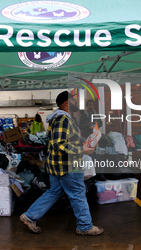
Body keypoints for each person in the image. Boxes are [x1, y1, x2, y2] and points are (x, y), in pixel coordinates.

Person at [20, 91, 104, 236]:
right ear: (66, 102)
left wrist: (84, 141)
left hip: (57, 166)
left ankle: (29, 216)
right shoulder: (63, 119)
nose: (76, 102)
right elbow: (59, 144)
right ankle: (84, 226)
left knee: (54, 191)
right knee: (78, 193)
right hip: (68, 166)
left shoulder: (61, 118)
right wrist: (81, 149)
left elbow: (62, 141)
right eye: (74, 99)